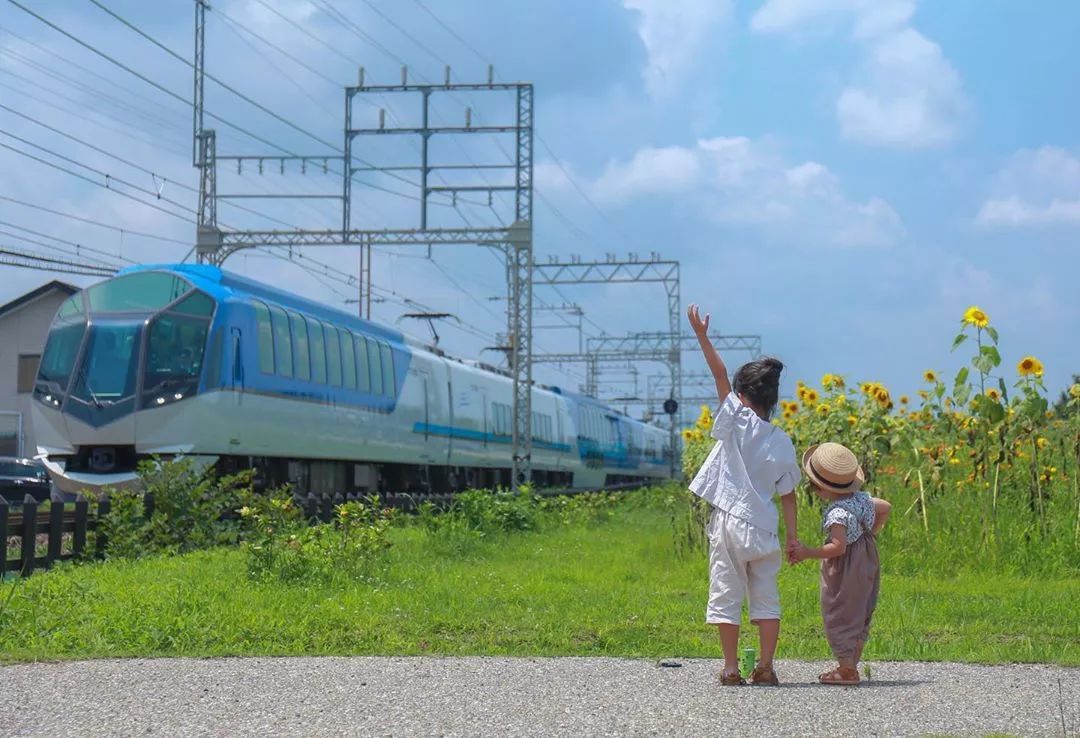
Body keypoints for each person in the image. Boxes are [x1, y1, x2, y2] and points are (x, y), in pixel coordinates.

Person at [686, 304, 800, 686]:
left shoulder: (735, 417)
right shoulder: (782, 441)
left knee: (726, 593)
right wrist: (794, 538)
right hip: (765, 529)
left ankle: (731, 667)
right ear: (773, 400)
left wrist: (703, 335)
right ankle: (765, 666)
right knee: (766, 598)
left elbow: (718, 374)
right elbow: (788, 495)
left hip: (729, 525)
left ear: (741, 394)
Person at [790, 442, 892, 686]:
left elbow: (838, 547)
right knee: (859, 609)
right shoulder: (862, 500)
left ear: (821, 488)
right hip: (867, 560)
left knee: (839, 610)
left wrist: (807, 552)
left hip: (845, 567)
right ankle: (850, 664)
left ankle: (847, 670)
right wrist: (871, 533)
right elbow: (885, 507)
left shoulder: (837, 513)